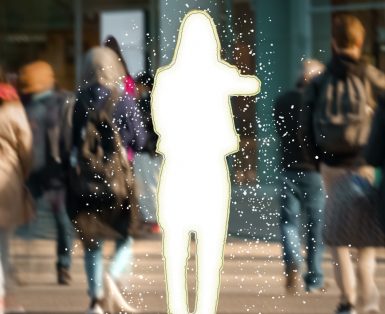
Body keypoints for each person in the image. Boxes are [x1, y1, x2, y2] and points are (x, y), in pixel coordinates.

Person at [152, 11, 260, 314]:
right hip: (211, 169)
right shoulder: (220, 74)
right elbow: (253, 85)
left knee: (174, 251)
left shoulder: (166, 77)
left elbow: (159, 122)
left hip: (177, 168)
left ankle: (177, 309)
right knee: (210, 252)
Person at [302, 14, 385, 314]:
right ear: (360, 42)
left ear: (334, 43)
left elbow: (305, 122)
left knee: (339, 237)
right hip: (364, 165)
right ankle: (371, 300)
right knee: (365, 236)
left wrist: (314, 157)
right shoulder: (371, 75)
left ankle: (347, 301)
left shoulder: (321, 80)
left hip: (331, 166)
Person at [71, 46, 145, 314]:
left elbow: (72, 142)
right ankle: (112, 276)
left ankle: (96, 301)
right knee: (124, 237)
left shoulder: (80, 101)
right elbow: (139, 138)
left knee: (92, 241)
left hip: (86, 182)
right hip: (119, 182)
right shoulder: (124, 100)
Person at [18, 61, 74, 285]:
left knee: (23, 219)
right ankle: (63, 265)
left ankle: (19, 265)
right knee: (62, 221)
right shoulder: (61, 103)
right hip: (54, 172)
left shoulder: (30, 106)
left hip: (36, 172)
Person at [274, 59, 326, 294]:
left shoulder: (282, 100)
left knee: (288, 222)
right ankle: (314, 280)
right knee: (315, 228)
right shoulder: (319, 103)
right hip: (315, 172)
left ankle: (293, 258)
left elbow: (280, 131)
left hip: (288, 168)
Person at [0, 66, 33, 313]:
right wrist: (24, 171)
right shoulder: (12, 107)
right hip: (7, 179)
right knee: (2, 243)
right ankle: (3, 298)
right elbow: (26, 145)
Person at [133, 73, 161, 233]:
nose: (137, 89)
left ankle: (154, 220)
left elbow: (143, 128)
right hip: (150, 150)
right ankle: (151, 219)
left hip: (149, 150)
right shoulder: (156, 101)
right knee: (149, 185)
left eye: (139, 85)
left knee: (150, 185)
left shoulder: (147, 102)